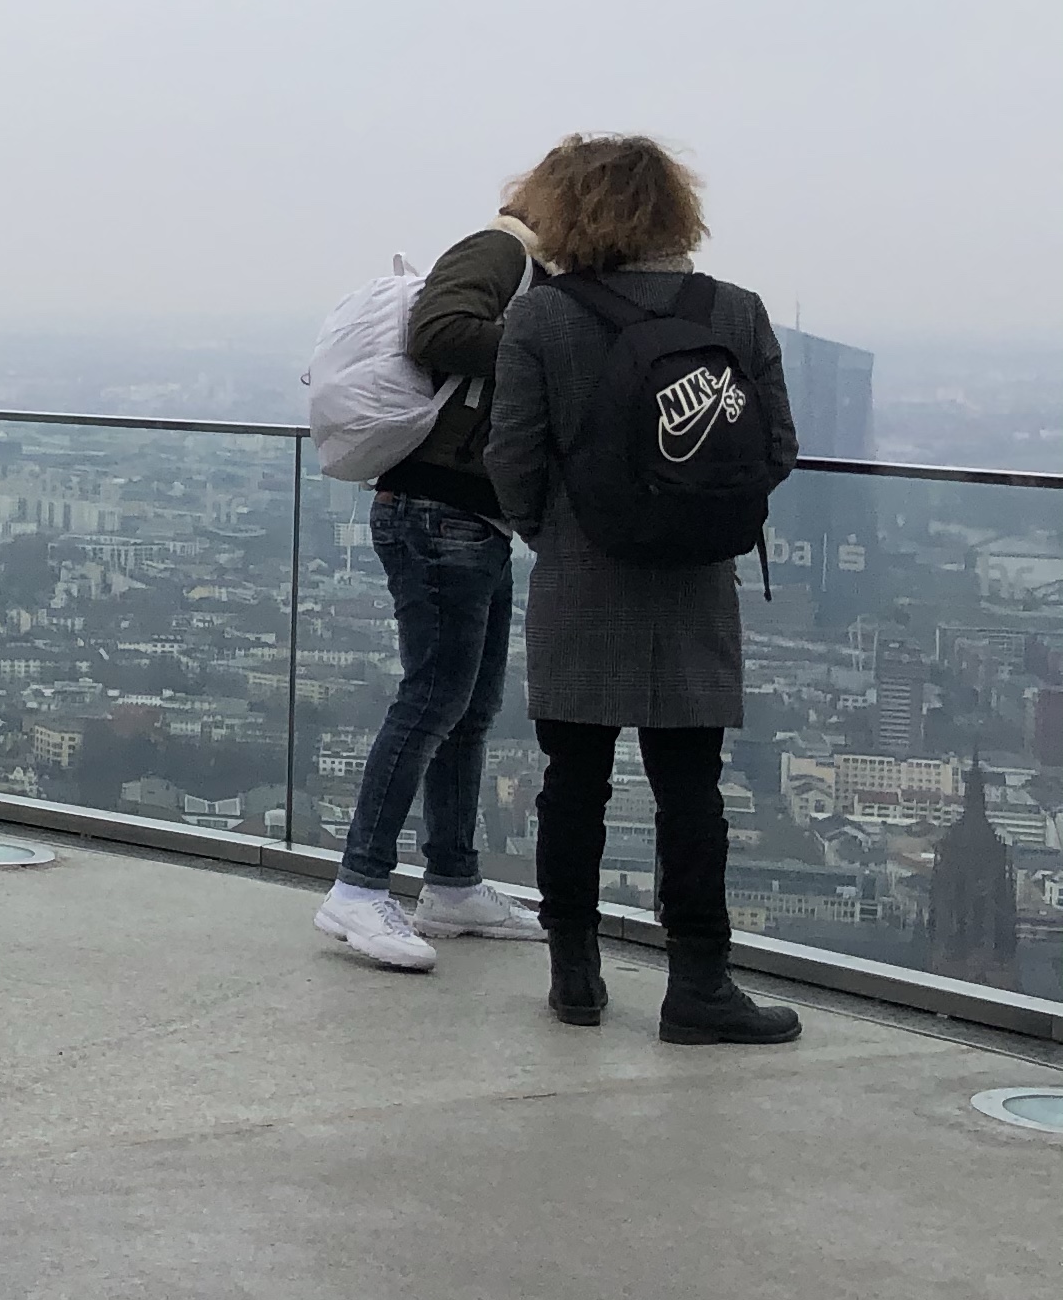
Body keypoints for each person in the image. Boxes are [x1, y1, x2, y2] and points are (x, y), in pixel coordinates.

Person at [483, 133, 802, 1043]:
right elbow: (777, 448)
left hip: (580, 582)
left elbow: (510, 458)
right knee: (691, 792)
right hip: (697, 585)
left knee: (572, 785)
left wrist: (557, 535)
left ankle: (576, 978)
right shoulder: (736, 312)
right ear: (674, 209)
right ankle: (698, 986)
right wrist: (697, 516)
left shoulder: (541, 321)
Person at [313, 187, 546, 971]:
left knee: (468, 709)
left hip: (477, 518)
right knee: (432, 702)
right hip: (438, 511)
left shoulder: (532, 273)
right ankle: (358, 886)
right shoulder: (501, 249)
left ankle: (451, 881)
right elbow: (439, 331)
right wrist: (549, 345)